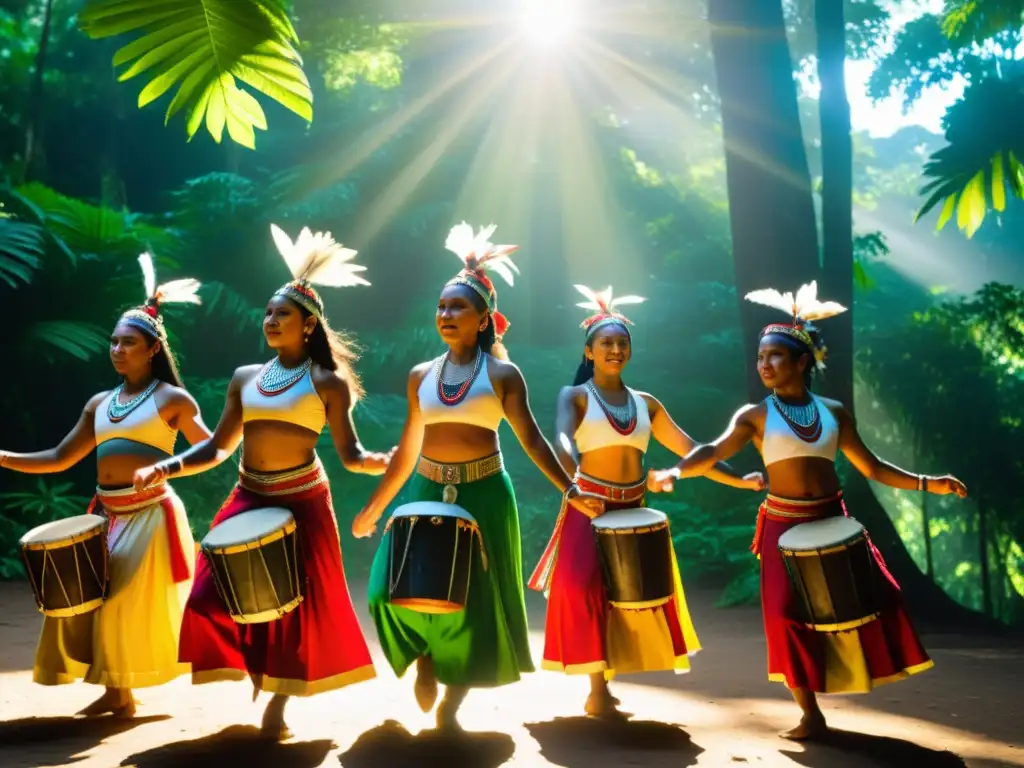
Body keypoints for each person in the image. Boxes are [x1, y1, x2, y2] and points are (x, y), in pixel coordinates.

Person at [649, 280, 968, 740]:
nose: (765, 365)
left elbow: (872, 467)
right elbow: (713, 450)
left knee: (885, 599)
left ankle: (865, 670)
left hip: (832, 519)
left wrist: (927, 482)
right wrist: (678, 470)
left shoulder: (834, 411)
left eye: (775, 356)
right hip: (782, 526)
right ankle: (810, 712)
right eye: (760, 358)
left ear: (802, 361)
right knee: (784, 616)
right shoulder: (754, 416)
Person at [133, 224, 391, 739]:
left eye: (284, 314)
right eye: (269, 313)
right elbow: (218, 446)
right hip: (249, 494)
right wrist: (166, 466)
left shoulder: (328, 383)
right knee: (210, 596)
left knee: (293, 611)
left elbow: (350, 453)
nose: (271, 320)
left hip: (303, 501)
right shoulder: (245, 376)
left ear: (309, 326)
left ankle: (277, 702)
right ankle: (257, 672)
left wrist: (379, 463)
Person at [352, 222, 604, 731]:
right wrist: (374, 509)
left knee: (474, 601)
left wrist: (571, 490)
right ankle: (423, 655)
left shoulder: (504, 376)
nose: (445, 315)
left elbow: (531, 439)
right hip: (425, 487)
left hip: (485, 493)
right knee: (387, 589)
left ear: (484, 317)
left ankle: (453, 703)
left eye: (457, 307)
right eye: (441, 307)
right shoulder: (421, 375)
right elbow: (407, 450)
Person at [528, 284, 766, 717]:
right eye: (606, 343)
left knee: (628, 596)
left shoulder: (646, 403)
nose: (615, 349)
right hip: (588, 504)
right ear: (589, 351)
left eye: (622, 343)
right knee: (583, 587)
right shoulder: (576, 396)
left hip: (634, 510)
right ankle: (595, 685)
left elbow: (691, 448)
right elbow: (561, 436)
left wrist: (741, 482)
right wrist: (569, 475)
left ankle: (606, 679)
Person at [0, 254, 210, 717]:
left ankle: (120, 691)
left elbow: (209, 450)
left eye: (128, 342)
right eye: (114, 341)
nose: (117, 349)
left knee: (118, 602)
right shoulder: (100, 403)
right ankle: (119, 693)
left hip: (151, 512)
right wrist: (4, 458)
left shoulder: (173, 399)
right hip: (105, 512)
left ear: (153, 348)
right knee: (88, 596)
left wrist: (166, 468)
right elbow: (60, 457)